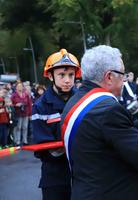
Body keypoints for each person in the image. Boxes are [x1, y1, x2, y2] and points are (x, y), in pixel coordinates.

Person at [61, 45, 138, 200]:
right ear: (109, 77)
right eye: (123, 75)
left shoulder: (76, 100)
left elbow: (106, 138)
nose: (124, 80)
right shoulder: (109, 110)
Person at [32, 49, 81, 200]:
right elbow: (43, 148)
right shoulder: (40, 106)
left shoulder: (82, 100)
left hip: (82, 176)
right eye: (62, 75)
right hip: (55, 178)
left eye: (71, 75)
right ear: (50, 75)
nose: (67, 80)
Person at [11, 81, 32, 146]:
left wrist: (30, 114)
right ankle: (17, 141)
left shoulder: (25, 94)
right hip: (18, 113)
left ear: (23, 87)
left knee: (25, 127)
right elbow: (10, 104)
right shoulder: (14, 95)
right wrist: (16, 105)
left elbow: (29, 104)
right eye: (18, 86)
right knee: (18, 127)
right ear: (16, 87)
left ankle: (25, 140)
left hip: (25, 112)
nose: (20, 87)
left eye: (21, 86)